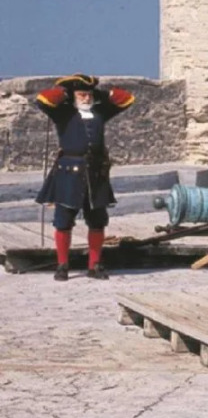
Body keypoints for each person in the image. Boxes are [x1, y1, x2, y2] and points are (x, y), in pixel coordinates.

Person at [34, 74, 136, 281]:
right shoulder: (63, 112)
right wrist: (64, 92)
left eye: (89, 95)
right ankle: (62, 265)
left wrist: (102, 93)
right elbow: (42, 99)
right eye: (82, 94)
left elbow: (127, 99)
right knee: (63, 221)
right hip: (68, 173)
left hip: (95, 173)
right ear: (73, 96)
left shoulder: (100, 112)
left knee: (97, 221)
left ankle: (94, 265)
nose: (86, 98)